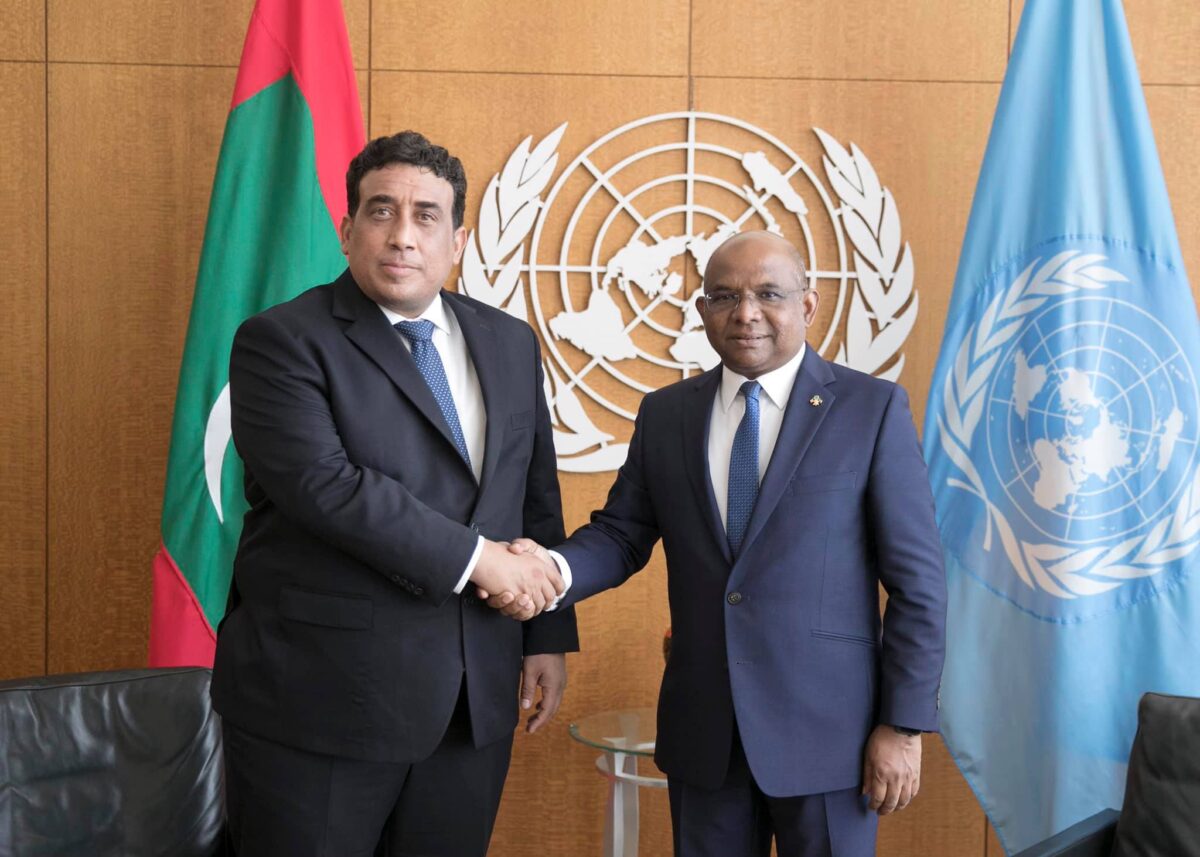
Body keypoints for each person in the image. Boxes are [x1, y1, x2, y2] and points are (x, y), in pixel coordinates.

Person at [494, 231, 947, 856]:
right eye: (726, 296)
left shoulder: (871, 409)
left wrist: (904, 724)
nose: (746, 313)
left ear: (808, 305)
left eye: (769, 295)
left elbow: (918, 583)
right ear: (703, 309)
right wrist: (550, 568)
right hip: (705, 733)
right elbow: (621, 535)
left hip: (832, 739)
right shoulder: (666, 414)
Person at [210, 130, 577, 857]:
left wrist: (546, 636)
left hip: (473, 699)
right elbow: (328, 488)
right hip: (321, 703)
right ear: (347, 230)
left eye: (426, 216)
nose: (403, 235)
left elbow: (533, 493)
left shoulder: (510, 341)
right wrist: (480, 561)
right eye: (381, 211)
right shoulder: (281, 341)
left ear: (458, 241)